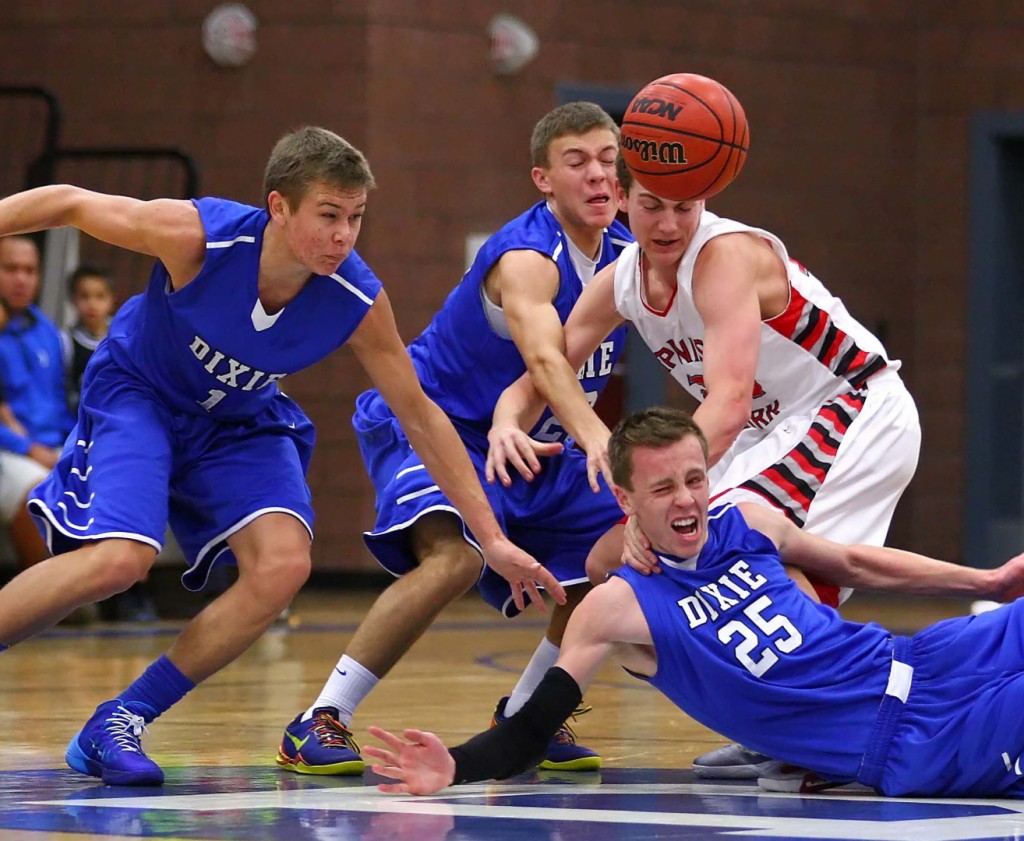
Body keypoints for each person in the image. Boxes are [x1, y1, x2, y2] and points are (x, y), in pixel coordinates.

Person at [0, 125, 559, 787]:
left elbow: (420, 414)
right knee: (122, 559)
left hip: (240, 417)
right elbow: (67, 200)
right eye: (328, 216)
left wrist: (489, 537)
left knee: (285, 563)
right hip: (142, 392)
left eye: (355, 218)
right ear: (279, 207)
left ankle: (121, 718)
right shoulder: (197, 239)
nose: (344, 236)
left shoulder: (354, 297)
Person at [486, 153, 921, 778]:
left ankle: (827, 723)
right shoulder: (622, 280)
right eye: (652, 206)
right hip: (774, 427)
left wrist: (649, 501)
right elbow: (544, 372)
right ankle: (779, 720)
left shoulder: (725, 259)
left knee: (744, 552)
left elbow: (730, 403)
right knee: (609, 559)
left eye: (684, 207)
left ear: (705, 203)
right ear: (621, 199)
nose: (668, 224)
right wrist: (507, 418)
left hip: (849, 401)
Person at [365, 406, 1024, 800]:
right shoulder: (620, 608)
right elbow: (530, 729)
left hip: (932, 657)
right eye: (662, 488)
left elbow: (853, 562)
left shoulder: (748, 519)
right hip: (914, 739)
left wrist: (988, 583)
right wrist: (455, 767)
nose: (686, 499)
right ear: (625, 502)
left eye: (694, 479)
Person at [275, 103, 633, 777]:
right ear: (543, 179)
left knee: (614, 559)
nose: (597, 175)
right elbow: (547, 362)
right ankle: (320, 717)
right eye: (576, 161)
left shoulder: (628, 255)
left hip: (531, 441)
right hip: (436, 420)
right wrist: (598, 437)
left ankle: (526, 718)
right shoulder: (530, 257)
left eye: (608, 159)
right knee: (455, 556)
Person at [62, 264, 115, 414]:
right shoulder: (66, 341)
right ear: (73, 299)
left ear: (111, 300)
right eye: (84, 296)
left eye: (100, 296)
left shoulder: (122, 336)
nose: (92, 304)